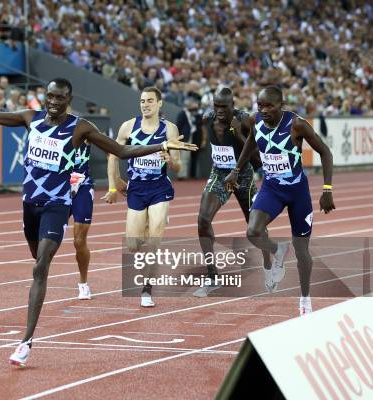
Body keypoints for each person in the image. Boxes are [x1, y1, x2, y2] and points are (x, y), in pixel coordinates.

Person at [0, 78, 198, 367]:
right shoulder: (31, 118)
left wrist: (160, 145)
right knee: (35, 256)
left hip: (57, 204)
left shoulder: (80, 127)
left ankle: (25, 342)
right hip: (30, 206)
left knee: (41, 266)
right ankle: (31, 316)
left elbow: (120, 151)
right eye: (49, 96)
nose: (52, 101)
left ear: (68, 99)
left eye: (58, 97)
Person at [225, 85, 335, 315]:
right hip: (272, 188)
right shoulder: (256, 121)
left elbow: (325, 152)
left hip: (297, 193)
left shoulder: (297, 124)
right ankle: (278, 250)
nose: (264, 110)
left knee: (302, 249)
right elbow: (251, 143)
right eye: (260, 105)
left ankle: (305, 300)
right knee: (253, 231)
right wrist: (236, 169)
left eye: (269, 106)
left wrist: (327, 189)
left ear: (281, 106)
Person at [102, 87, 182, 308]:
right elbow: (113, 154)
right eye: (142, 101)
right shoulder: (128, 127)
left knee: (155, 238)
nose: (145, 104)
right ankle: (151, 221)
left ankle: (147, 290)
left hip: (159, 188)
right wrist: (113, 184)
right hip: (136, 189)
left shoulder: (169, 129)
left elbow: (178, 165)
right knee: (134, 244)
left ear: (159, 104)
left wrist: (169, 159)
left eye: (149, 101)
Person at [194, 87, 270, 297]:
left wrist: (238, 135)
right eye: (216, 106)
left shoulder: (244, 120)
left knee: (254, 226)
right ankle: (212, 276)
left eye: (223, 107)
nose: (219, 111)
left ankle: (269, 264)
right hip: (219, 173)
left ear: (232, 106)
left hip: (242, 175)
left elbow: (257, 151)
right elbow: (205, 140)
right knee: (202, 219)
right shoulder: (206, 119)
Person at [69, 140, 94, 300]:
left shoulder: (84, 128)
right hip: (57, 185)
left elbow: (111, 151)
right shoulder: (48, 129)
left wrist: (113, 184)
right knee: (48, 240)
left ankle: (83, 283)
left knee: (79, 240)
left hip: (83, 185)